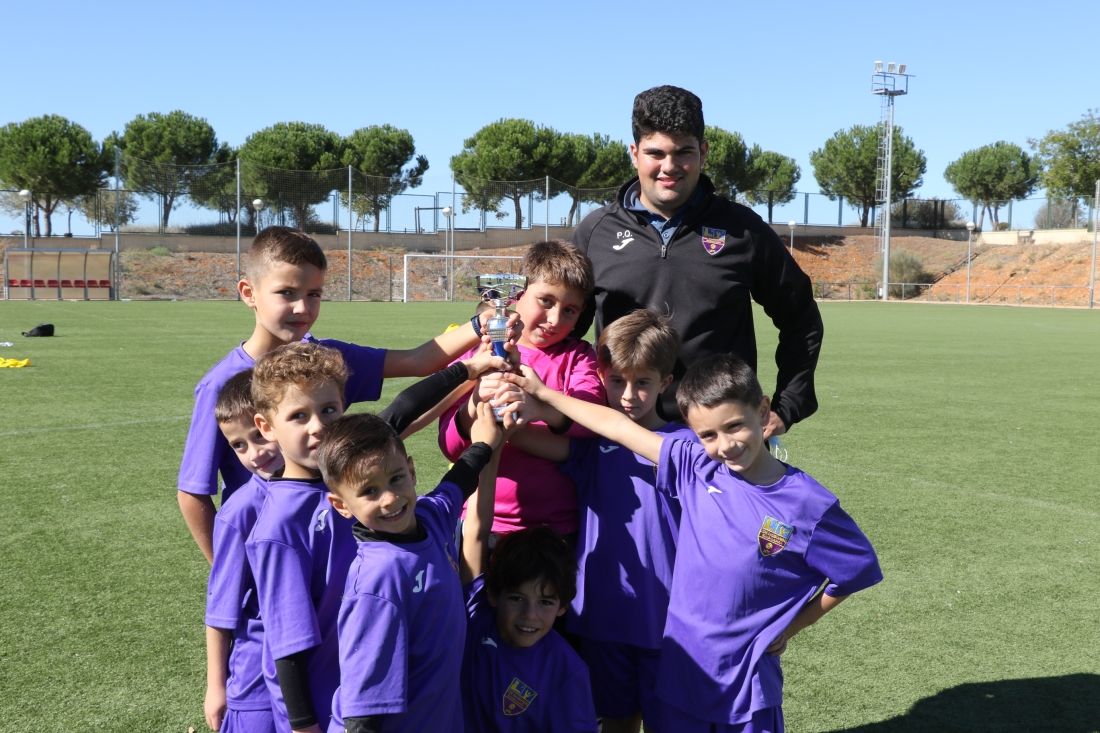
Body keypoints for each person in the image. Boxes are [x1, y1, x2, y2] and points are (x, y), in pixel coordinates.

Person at [501, 354, 883, 732]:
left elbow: (854, 571)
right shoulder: (695, 466)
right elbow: (616, 427)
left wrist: (790, 628)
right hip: (680, 670)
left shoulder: (807, 503)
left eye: (734, 425)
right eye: (708, 435)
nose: (726, 445)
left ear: (763, 411)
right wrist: (544, 394)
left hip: (747, 681)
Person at [177, 225, 520, 563]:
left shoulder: (324, 361)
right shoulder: (220, 384)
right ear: (249, 293)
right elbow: (193, 492)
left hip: (337, 534)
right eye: (286, 293)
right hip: (274, 549)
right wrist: (229, 570)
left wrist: (484, 324)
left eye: (314, 294)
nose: (302, 308)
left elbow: (418, 360)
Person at [245, 341, 509, 733]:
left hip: (390, 685)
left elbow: (402, 409)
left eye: (329, 410)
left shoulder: (359, 466)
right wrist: (304, 726)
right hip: (330, 702)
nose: (319, 426)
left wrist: (469, 370)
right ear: (342, 503)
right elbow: (286, 645)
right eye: (299, 415)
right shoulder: (280, 528)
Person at [570, 85, 824, 439]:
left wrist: (788, 405)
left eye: (684, 152)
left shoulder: (742, 229)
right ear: (634, 153)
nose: (669, 167)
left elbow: (801, 318)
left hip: (720, 441)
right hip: (623, 435)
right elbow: (563, 331)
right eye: (655, 153)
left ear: (703, 152)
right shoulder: (596, 231)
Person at [503, 309, 693, 733]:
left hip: (671, 623)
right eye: (617, 380)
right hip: (604, 618)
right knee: (615, 721)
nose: (628, 395)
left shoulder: (688, 448)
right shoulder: (592, 447)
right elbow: (521, 436)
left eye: (643, 382)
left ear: (665, 383)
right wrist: (504, 390)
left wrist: (547, 398)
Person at [318, 401, 511, 733]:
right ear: (341, 504)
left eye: (395, 479)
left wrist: (484, 441)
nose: (390, 498)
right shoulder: (378, 580)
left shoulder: (429, 517)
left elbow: (459, 481)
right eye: (369, 491)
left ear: (411, 470)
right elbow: (362, 712)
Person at [438, 240, 605, 539]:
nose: (555, 319)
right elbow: (450, 448)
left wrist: (541, 409)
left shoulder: (579, 356)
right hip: (477, 524)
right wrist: (474, 405)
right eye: (546, 301)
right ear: (518, 293)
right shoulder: (476, 354)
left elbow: (593, 421)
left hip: (556, 529)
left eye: (569, 311)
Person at [204, 370, 281, 733]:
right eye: (238, 445)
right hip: (255, 681)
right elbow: (221, 610)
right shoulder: (239, 512)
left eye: (259, 435)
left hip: (317, 670)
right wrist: (216, 687)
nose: (254, 453)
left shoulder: (330, 488)